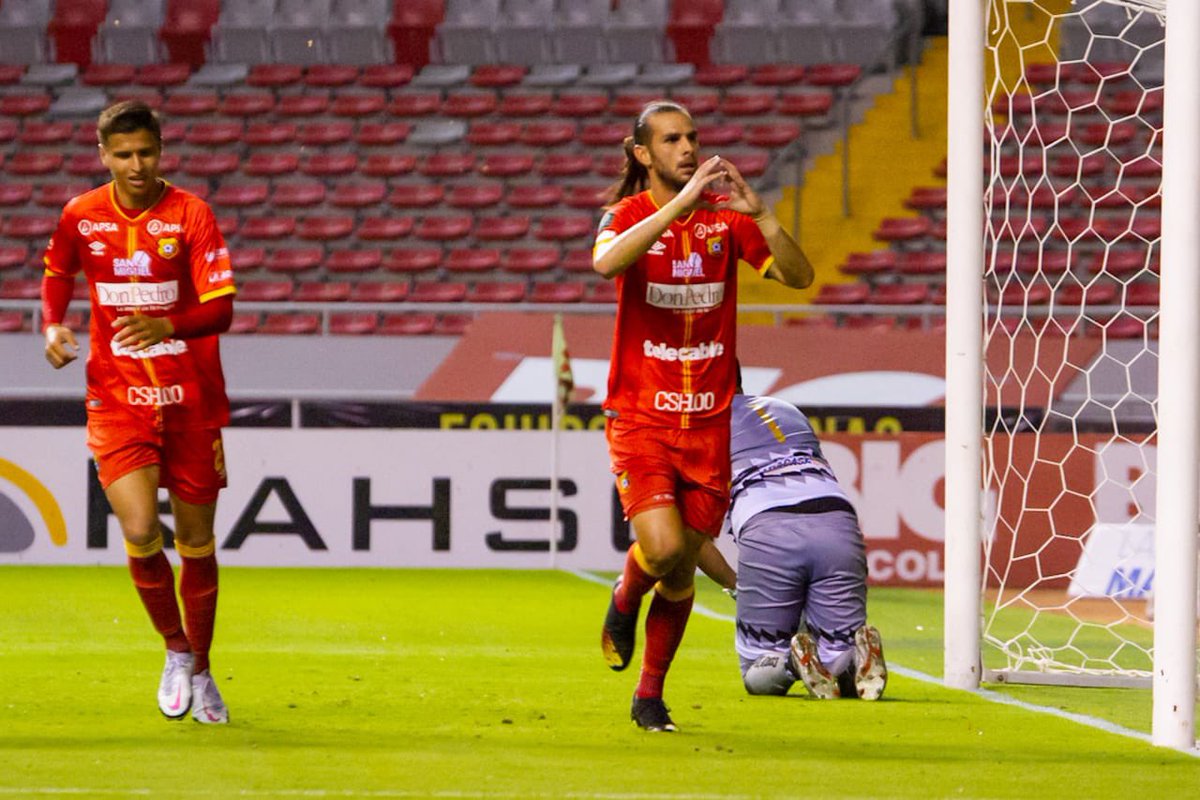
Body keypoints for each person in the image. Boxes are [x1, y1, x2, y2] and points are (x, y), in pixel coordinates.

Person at [593, 100, 814, 731]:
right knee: (660, 550)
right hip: (640, 414)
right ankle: (624, 595)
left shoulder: (726, 224)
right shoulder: (627, 216)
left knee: (685, 561)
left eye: (692, 137)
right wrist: (677, 206)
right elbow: (606, 263)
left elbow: (800, 277)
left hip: (709, 421)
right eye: (670, 140)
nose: (687, 148)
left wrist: (765, 217)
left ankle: (648, 695)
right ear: (643, 154)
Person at [41, 100, 237, 724]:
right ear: (103, 154)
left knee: (197, 540)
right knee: (138, 531)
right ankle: (176, 651)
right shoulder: (81, 214)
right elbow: (56, 273)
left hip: (191, 400)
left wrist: (167, 323)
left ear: (160, 150)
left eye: (145, 152)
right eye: (122, 154)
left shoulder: (191, 214)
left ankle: (203, 667)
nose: (135, 165)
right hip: (117, 398)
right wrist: (51, 325)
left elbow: (222, 310)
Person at [698, 389, 887, 700]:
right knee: (836, 659)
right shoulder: (785, 409)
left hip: (768, 527)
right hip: (838, 521)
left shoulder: (697, 426)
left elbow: (692, 538)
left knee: (756, 667)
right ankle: (855, 656)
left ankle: (791, 663)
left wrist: (736, 584)